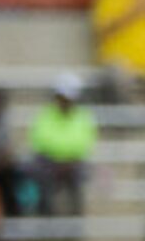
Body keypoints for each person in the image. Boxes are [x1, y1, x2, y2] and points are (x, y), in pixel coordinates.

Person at [23, 77, 98, 218]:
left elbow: (85, 143)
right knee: (39, 174)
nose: (64, 102)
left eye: (67, 98)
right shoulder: (45, 115)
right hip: (49, 161)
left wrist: (67, 161)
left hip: (74, 163)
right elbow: (40, 141)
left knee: (79, 176)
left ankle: (75, 222)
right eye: (62, 97)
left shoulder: (83, 117)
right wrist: (58, 161)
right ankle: (46, 219)